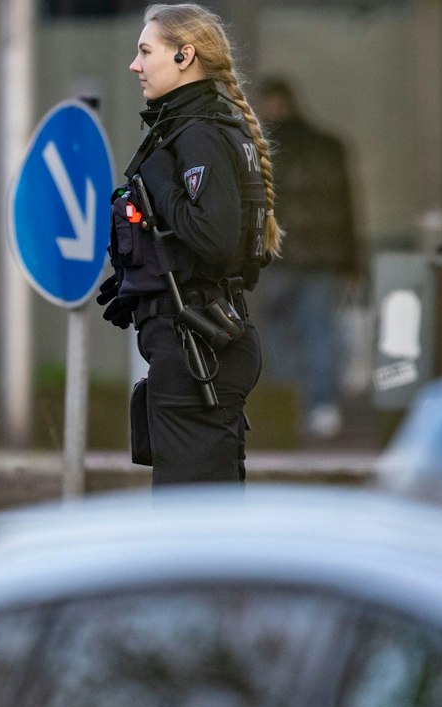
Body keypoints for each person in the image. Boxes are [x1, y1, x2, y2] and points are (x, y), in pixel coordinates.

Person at [98, 3, 278, 485]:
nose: (135, 65)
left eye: (145, 51)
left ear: (185, 56)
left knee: (190, 528)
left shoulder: (198, 134)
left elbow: (213, 240)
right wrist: (141, 282)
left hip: (198, 348)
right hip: (200, 336)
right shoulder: (209, 126)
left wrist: (158, 178)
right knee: (202, 522)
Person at [255, 77, 361, 442]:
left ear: (273, 104)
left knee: (281, 335)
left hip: (278, 259)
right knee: (320, 334)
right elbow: (348, 209)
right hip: (323, 261)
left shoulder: (261, 149)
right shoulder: (329, 147)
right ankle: (322, 407)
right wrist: (351, 262)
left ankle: (290, 405)